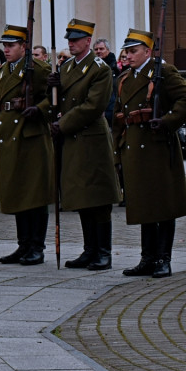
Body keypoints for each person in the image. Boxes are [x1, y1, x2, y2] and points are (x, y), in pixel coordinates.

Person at [113, 30, 186, 277]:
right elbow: (118, 118)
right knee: (143, 206)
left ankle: (163, 258)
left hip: (157, 147)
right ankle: (147, 258)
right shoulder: (124, 79)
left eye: (133, 51)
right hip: (133, 148)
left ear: (147, 52)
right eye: (126, 52)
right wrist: (117, 152)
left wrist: (167, 120)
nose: (128, 55)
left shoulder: (164, 73)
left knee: (162, 207)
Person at [49, 20, 123, 271]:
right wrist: (53, 93)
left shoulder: (99, 69)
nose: (71, 43)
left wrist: (64, 124)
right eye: (69, 39)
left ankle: (103, 252)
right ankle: (89, 249)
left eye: (76, 39)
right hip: (72, 138)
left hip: (91, 138)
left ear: (88, 42)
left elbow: (94, 105)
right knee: (81, 195)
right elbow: (62, 102)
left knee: (98, 198)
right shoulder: (66, 67)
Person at [0, 25, 54, 265]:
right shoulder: (2, 72)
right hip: (9, 135)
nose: (6, 50)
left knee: (34, 195)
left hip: (31, 137)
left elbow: (54, 96)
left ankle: (36, 246)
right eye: (4, 46)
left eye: (11, 46)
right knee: (18, 193)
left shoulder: (38, 69)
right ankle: (23, 244)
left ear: (24, 47)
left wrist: (39, 109)